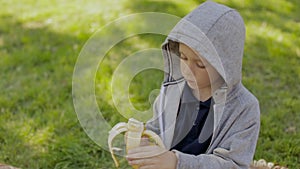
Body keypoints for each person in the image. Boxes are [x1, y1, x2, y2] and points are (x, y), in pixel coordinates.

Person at [126, 1, 260, 169]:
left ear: (224, 65)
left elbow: (234, 164)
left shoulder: (244, 109)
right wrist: (145, 140)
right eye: (183, 57)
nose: (188, 71)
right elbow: (158, 127)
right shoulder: (173, 91)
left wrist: (177, 162)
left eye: (200, 64)